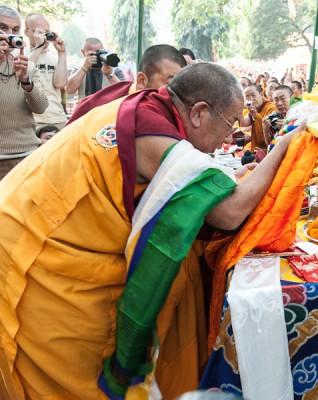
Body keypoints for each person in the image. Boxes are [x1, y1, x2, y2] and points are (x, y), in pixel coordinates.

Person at [0, 62, 302, 399]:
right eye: (230, 123)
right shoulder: (151, 132)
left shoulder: (146, 108)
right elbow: (230, 212)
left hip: (32, 220)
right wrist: (284, 146)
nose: (230, 137)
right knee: (74, 368)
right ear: (199, 112)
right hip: (31, 248)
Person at [68, 44, 187, 124]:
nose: (177, 90)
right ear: (141, 80)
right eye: (171, 82)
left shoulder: (178, 107)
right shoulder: (100, 105)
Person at [0, 4, 48, 180]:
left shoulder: (27, 66)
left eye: (15, 29)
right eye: (2, 28)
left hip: (25, 157)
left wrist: (26, 81)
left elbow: (41, 107)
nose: (9, 34)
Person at [24, 13, 67, 130]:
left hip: (57, 118)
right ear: (26, 32)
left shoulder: (54, 57)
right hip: (32, 121)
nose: (43, 35)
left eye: (46, 31)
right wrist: (39, 46)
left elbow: (60, 84)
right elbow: (25, 74)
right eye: (38, 31)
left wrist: (62, 53)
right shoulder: (20, 54)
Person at [240, 84, 277, 151]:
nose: (251, 99)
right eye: (247, 97)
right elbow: (243, 123)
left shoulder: (271, 108)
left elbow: (271, 134)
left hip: (270, 147)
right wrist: (239, 110)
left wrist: (256, 116)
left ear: (261, 94)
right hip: (258, 148)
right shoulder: (254, 109)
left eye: (253, 95)